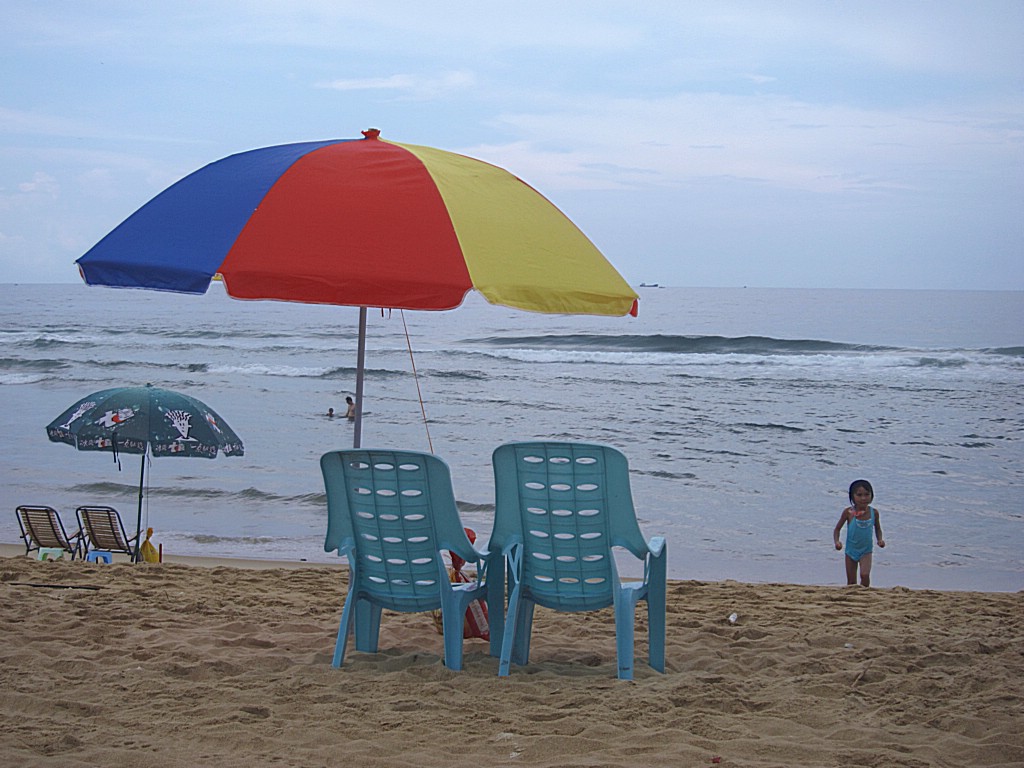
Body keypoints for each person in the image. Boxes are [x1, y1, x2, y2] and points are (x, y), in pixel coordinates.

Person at [833, 479, 885, 587]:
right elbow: (837, 529)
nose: (863, 498)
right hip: (851, 551)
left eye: (867, 494)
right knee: (851, 581)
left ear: (872, 495)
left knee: (865, 575)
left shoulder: (873, 513)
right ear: (853, 497)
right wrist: (837, 542)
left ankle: (865, 594)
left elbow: (878, 528)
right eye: (859, 495)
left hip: (866, 550)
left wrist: (880, 539)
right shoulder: (848, 512)